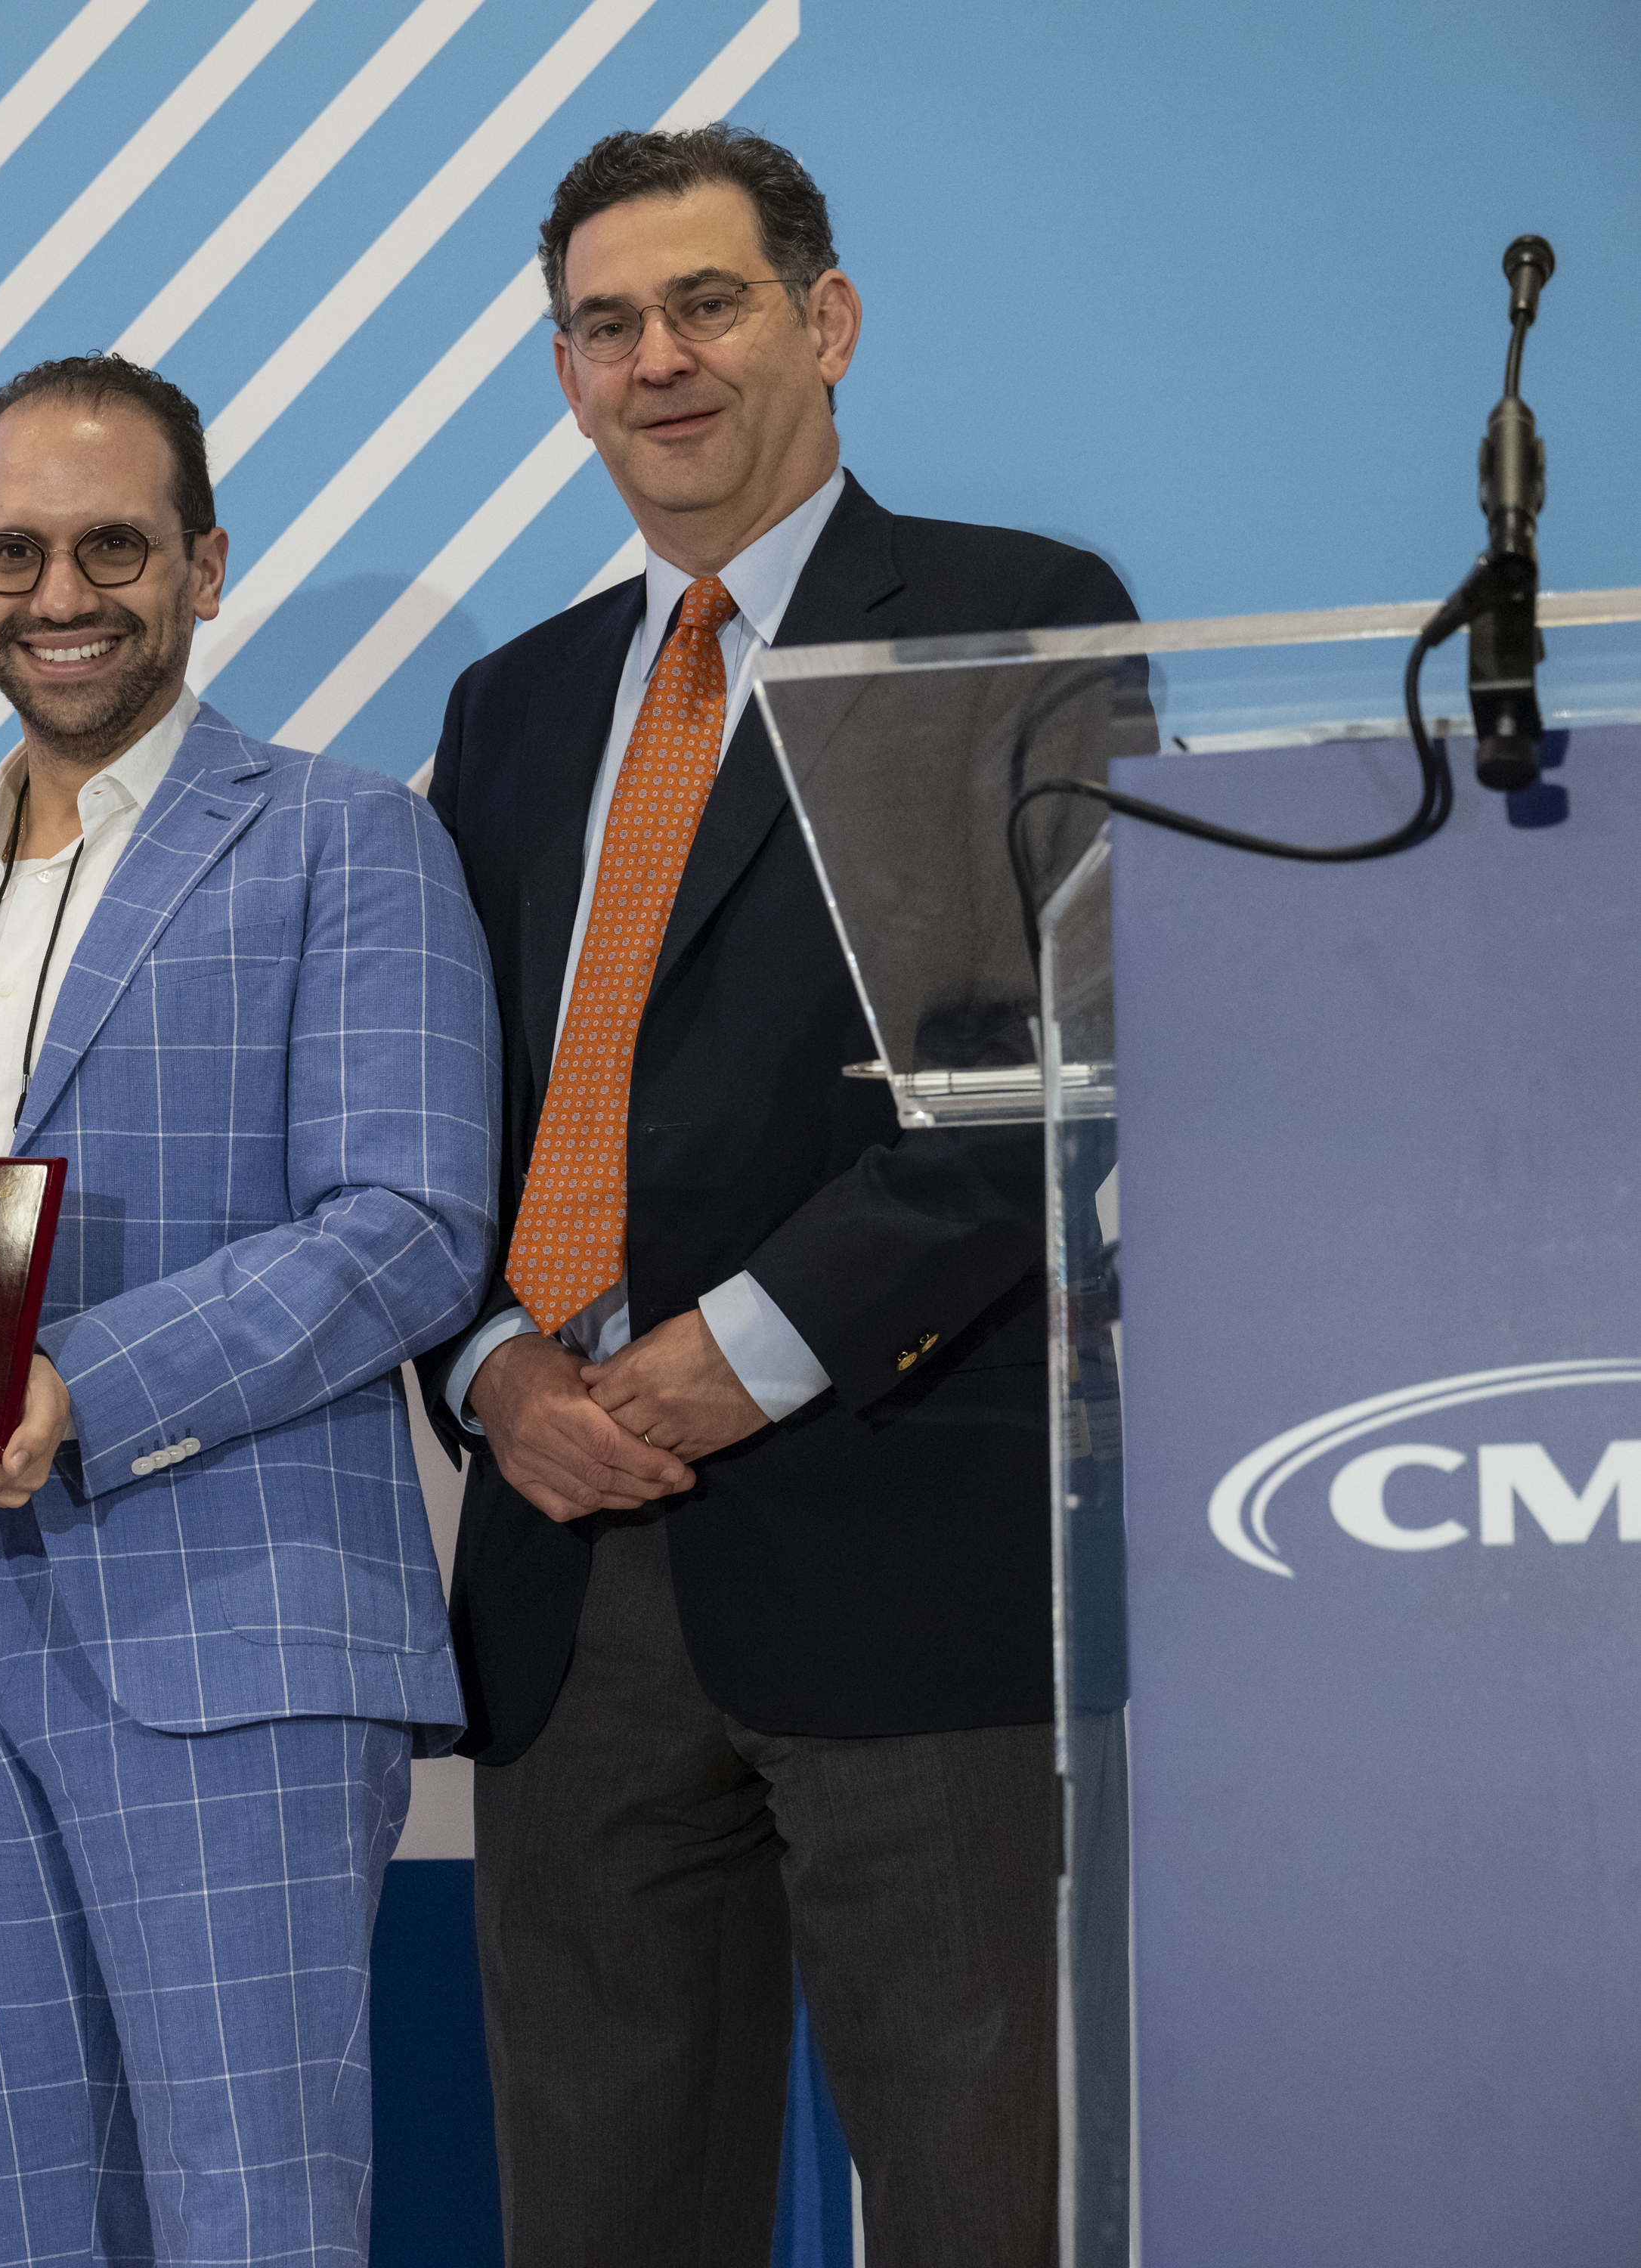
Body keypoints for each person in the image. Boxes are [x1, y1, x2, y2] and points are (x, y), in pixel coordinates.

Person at [0, 355, 500, 2266]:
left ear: (205, 566)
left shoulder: (345, 838)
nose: (63, 593)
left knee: (253, 2217)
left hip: (236, 1638)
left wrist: (75, 1382)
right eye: (15, 551)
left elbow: (412, 1223)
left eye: (114, 545)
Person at [415, 126, 1140, 2265]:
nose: (657, 360)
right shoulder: (514, 706)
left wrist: (736, 1355)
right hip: (564, 1569)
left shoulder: (1018, 615)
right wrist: (488, 1375)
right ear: (562, 371)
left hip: (907, 1536)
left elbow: (1059, 1075)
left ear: (820, 322)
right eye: (604, 324)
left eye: (704, 305)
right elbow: (444, 1112)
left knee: (980, 2207)